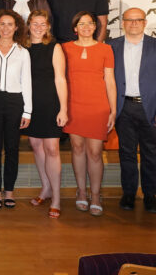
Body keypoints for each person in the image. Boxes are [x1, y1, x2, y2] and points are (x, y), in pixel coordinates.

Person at [62, 11, 116, 216]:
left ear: (95, 27)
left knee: (94, 152)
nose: (86, 27)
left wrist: (113, 110)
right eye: (81, 23)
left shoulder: (106, 49)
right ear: (74, 28)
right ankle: (81, 192)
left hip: (98, 106)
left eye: (90, 23)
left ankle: (95, 194)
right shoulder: (64, 48)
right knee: (77, 148)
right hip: (73, 104)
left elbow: (110, 81)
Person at [0, 9, 31, 209]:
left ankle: (9, 190)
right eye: (2, 24)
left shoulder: (22, 52)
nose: (6, 28)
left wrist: (27, 111)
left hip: (14, 102)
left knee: (12, 148)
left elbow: (26, 82)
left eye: (10, 24)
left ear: (16, 27)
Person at [110, 8, 156, 213]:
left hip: (151, 108)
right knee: (126, 153)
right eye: (129, 20)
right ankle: (128, 194)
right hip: (124, 108)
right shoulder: (112, 46)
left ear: (145, 23)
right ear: (123, 23)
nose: (134, 23)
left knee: (151, 153)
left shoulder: (155, 46)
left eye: (138, 20)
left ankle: (150, 195)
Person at [23, 10, 68, 219]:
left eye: (43, 24)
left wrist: (63, 108)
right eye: (35, 23)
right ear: (28, 25)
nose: (39, 27)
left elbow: (60, 79)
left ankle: (57, 198)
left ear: (48, 27)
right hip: (30, 104)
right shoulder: (22, 47)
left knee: (51, 148)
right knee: (36, 145)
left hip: (50, 103)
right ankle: (45, 189)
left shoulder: (55, 47)